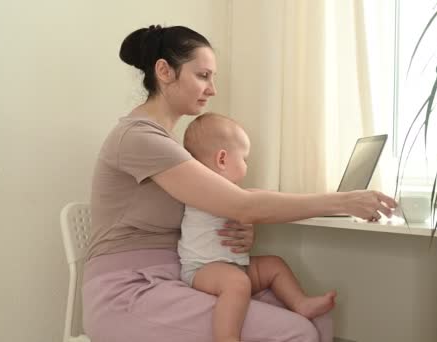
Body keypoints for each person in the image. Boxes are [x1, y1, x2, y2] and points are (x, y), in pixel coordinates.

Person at [83, 24, 396, 342]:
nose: (212, 88)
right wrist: (343, 201)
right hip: (129, 292)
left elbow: (224, 206)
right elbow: (242, 202)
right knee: (296, 331)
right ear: (164, 71)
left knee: (316, 321)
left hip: (174, 276)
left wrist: (233, 228)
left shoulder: (171, 145)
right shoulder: (139, 138)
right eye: (203, 76)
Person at [179, 112, 337, 342]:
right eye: (244, 159)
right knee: (237, 282)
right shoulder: (204, 190)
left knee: (273, 264)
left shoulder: (228, 192)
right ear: (222, 160)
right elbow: (252, 199)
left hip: (233, 266)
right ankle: (226, 336)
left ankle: (300, 303)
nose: (247, 165)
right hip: (202, 269)